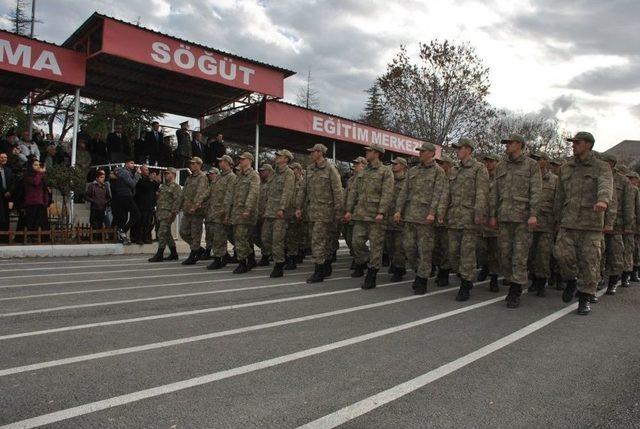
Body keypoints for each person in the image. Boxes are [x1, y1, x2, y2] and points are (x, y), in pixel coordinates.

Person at [554, 132, 613, 315]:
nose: (573, 145)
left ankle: (584, 298)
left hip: (591, 224)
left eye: (577, 142)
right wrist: (557, 219)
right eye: (572, 142)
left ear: (588, 144)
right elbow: (560, 195)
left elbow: (605, 185)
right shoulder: (566, 167)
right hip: (568, 222)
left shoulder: (601, 167)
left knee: (589, 263)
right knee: (561, 256)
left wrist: (603, 201)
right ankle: (571, 280)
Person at [489, 134, 541, 308]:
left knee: (519, 255)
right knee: (505, 255)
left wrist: (533, 214)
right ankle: (513, 283)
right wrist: (493, 215)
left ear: (520, 144)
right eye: (506, 143)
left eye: (510, 143)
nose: (507, 145)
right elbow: (495, 191)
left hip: (523, 219)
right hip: (504, 217)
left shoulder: (532, 165)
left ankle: (515, 291)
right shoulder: (501, 166)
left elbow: (536, 191)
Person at [394, 142, 447, 295]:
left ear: (432, 153)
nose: (420, 153)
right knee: (409, 249)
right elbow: (404, 192)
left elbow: (439, 194)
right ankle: (420, 272)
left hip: (425, 218)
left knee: (424, 250)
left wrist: (433, 213)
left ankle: (422, 279)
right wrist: (398, 210)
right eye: (419, 151)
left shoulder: (438, 172)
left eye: (423, 151)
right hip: (410, 216)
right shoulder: (413, 171)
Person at [344, 143, 394, 289]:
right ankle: (363, 262)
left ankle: (372, 274)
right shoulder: (362, 172)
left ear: (377, 153)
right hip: (360, 214)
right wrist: (349, 210)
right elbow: (353, 192)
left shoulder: (385, 171)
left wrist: (381, 212)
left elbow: (387, 193)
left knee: (376, 247)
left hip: (375, 216)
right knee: (356, 242)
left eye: (369, 151)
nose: (367, 153)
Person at [446, 138, 490, 301]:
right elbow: (446, 193)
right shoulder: (454, 170)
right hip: (453, 217)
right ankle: (465, 275)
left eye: (460, 148)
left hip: (470, 218)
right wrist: (441, 212)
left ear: (469, 150)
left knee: (467, 253)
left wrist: (479, 213)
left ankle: (465, 284)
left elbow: (482, 192)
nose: (457, 151)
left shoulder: (479, 168)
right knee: (453, 252)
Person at [295, 143, 343, 283]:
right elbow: (303, 190)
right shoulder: (309, 169)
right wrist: (298, 207)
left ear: (320, 153)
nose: (310, 154)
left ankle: (319, 271)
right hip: (312, 212)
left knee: (318, 241)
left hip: (326, 212)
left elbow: (338, 191)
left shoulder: (330, 169)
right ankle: (326, 267)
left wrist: (338, 211)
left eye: (313, 152)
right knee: (320, 240)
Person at [527, 151, 558, 297]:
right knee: (530, 254)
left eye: (539, 159)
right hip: (528, 223)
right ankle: (533, 279)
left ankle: (541, 282)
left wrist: (557, 221)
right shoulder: (528, 177)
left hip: (546, 224)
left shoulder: (554, 180)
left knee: (543, 255)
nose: (536, 161)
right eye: (534, 159)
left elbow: (558, 202)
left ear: (546, 161)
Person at [600, 153, 632, 295]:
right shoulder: (597, 175)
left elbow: (628, 204)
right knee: (598, 254)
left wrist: (628, 224)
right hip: (597, 222)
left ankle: (612, 283)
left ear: (612, 163)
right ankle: (596, 281)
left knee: (615, 254)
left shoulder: (623, 181)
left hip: (617, 225)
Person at [261, 149, 296, 278]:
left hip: (280, 213)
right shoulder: (275, 174)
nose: (277, 157)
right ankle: (282, 256)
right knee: (265, 238)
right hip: (270, 211)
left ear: (286, 159)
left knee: (277, 239)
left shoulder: (289, 174)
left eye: (280, 156)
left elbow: (287, 192)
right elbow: (268, 193)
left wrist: (282, 208)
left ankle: (279, 265)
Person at [226, 152, 261, 274]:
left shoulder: (254, 176)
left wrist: (248, 209)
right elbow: (232, 195)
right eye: (239, 159)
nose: (240, 161)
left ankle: (242, 263)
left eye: (242, 159)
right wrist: (228, 211)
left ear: (249, 160)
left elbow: (253, 193)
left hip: (246, 212)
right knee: (243, 238)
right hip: (236, 212)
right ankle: (251, 259)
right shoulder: (239, 176)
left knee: (240, 237)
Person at [205, 155, 237, 269]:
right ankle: (224, 256)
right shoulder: (218, 177)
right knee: (215, 235)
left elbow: (229, 196)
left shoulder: (231, 177)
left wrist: (226, 213)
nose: (219, 163)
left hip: (222, 211)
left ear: (227, 163)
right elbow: (209, 192)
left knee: (219, 236)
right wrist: (198, 202)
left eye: (221, 161)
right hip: (214, 212)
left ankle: (218, 259)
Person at [477, 153, 501, 292]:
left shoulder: (501, 178)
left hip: (495, 220)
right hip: (482, 219)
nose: (489, 164)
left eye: (491, 161)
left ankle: (494, 278)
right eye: (487, 162)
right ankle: (485, 267)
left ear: (497, 162)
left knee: (495, 251)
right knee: (480, 249)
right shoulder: (482, 178)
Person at [179, 156, 209, 265]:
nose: (191, 165)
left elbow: (201, 194)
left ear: (199, 165)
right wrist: (179, 206)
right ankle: (198, 249)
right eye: (190, 164)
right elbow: (184, 194)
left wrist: (195, 206)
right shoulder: (189, 178)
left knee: (195, 233)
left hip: (196, 211)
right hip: (187, 210)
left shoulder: (202, 177)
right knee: (183, 232)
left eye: (193, 164)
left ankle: (193, 255)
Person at [149, 168, 182, 262]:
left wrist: (174, 213)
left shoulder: (176, 187)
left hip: (168, 213)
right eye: (165, 173)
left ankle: (159, 254)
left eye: (168, 173)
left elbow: (178, 201)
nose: (166, 175)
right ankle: (174, 253)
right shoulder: (163, 186)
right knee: (167, 234)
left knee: (162, 233)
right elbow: (159, 197)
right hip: (160, 212)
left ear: (173, 174)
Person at [386, 157, 408, 282]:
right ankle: (394, 264)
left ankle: (399, 268)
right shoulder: (390, 180)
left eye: (396, 164)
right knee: (389, 246)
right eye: (392, 164)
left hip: (401, 217)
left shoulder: (408, 181)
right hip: (389, 217)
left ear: (403, 166)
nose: (393, 166)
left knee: (399, 246)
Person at [433, 154, 454, 286]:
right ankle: (438, 268)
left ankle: (444, 272)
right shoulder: (437, 177)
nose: (440, 166)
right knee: (436, 246)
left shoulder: (453, 177)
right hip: (435, 216)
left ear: (449, 165)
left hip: (448, 217)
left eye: (442, 163)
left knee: (446, 246)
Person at [343, 157, 367, 268]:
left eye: (358, 164)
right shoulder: (351, 180)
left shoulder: (366, 178)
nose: (355, 166)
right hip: (350, 212)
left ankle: (361, 260)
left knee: (356, 239)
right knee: (348, 237)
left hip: (361, 213)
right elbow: (347, 196)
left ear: (364, 165)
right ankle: (358, 257)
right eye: (355, 164)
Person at [112, 160, 141, 244]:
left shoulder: (124, 172)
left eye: (133, 163)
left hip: (122, 196)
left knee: (123, 217)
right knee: (137, 214)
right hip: (125, 196)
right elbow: (132, 184)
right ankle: (123, 231)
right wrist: (138, 174)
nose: (133, 165)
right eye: (131, 163)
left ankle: (121, 237)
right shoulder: (125, 172)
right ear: (126, 164)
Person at [132, 166, 160, 245]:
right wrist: (151, 180)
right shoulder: (140, 178)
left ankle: (146, 237)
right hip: (141, 204)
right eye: (146, 170)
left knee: (148, 222)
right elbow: (144, 186)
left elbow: (155, 188)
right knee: (141, 222)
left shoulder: (150, 180)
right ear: (141, 170)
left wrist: (156, 181)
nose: (147, 171)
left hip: (150, 204)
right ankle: (139, 238)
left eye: (148, 170)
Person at [286, 162, 306, 268]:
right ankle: (292, 256)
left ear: (298, 170)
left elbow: (304, 198)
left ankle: (295, 257)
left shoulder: (302, 182)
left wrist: (301, 211)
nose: (291, 171)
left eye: (293, 169)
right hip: (289, 212)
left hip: (298, 212)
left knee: (296, 236)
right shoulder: (290, 181)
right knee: (290, 236)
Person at [22, 159, 49, 233]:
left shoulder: (40, 175)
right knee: (31, 223)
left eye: (38, 165)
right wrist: (40, 173)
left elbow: (44, 189)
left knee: (40, 223)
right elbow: (35, 182)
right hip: (32, 202)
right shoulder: (28, 175)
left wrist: (46, 201)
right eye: (35, 165)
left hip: (41, 202)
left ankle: (39, 238)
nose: (38, 166)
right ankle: (30, 237)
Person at [256, 164, 274, 264]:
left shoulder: (272, 183)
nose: (261, 172)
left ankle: (267, 255)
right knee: (256, 235)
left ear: (269, 171)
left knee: (266, 236)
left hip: (269, 214)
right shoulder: (260, 184)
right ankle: (267, 252)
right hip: (259, 213)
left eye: (263, 171)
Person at [201, 167, 220, 260]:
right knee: (208, 234)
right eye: (210, 174)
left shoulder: (218, 184)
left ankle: (221, 254)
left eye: (212, 174)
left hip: (215, 213)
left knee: (214, 234)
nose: (210, 176)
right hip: (208, 213)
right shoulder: (210, 184)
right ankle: (208, 250)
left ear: (217, 174)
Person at [0, 152, 15, 235]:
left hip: (7, 197)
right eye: (2, 157)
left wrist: (9, 192)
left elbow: (13, 183)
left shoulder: (9, 170)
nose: (4, 159)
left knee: (6, 216)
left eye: (5, 157)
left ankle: (5, 237)